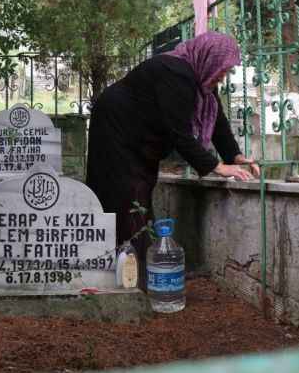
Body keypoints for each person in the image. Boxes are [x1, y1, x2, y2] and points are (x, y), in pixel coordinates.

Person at [86, 32, 260, 284]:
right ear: (208, 58)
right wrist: (217, 167)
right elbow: (179, 132)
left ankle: (137, 271)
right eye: (222, 69)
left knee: (139, 195)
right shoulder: (175, 74)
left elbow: (218, 122)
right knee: (124, 195)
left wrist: (236, 156)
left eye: (226, 71)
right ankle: (127, 274)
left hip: (138, 137)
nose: (223, 76)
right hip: (116, 128)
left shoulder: (198, 79)